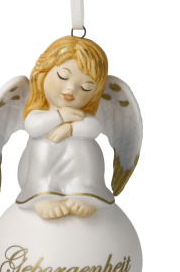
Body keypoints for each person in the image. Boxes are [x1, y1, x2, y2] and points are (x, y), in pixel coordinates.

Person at [16, 36, 115, 219]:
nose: (71, 90)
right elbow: (33, 127)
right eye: (62, 76)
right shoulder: (38, 113)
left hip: (76, 168)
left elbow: (93, 128)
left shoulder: (84, 116)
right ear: (43, 73)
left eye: (86, 87)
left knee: (85, 146)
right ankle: (42, 194)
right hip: (40, 171)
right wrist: (60, 116)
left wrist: (69, 130)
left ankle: (84, 192)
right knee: (44, 145)